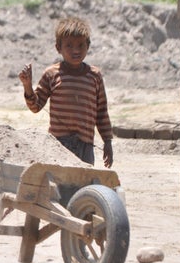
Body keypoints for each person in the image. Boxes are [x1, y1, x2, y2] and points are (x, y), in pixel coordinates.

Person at [19, 16, 114, 168]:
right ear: (58, 47)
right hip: (57, 145)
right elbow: (35, 106)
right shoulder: (51, 74)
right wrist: (27, 86)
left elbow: (101, 112)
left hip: (85, 146)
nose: (75, 50)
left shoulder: (94, 76)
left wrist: (107, 142)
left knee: (82, 183)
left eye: (80, 45)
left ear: (88, 46)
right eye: (69, 46)